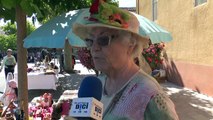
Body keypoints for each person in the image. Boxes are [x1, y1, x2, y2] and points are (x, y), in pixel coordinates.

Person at [72, 0, 179, 119]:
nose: (94, 48)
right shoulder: (98, 83)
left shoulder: (150, 95)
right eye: (90, 41)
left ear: (130, 44)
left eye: (103, 39)